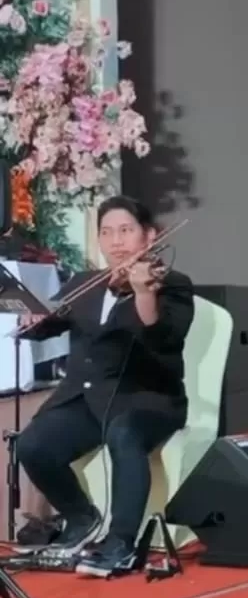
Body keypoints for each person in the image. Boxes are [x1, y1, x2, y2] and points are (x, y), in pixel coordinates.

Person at [17, 195, 194, 577]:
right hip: (87, 400)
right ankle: (81, 517)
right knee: (32, 445)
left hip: (148, 398)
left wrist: (144, 293)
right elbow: (51, 322)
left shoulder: (173, 285)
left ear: (149, 236)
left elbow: (162, 337)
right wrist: (32, 319)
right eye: (107, 232)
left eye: (126, 231)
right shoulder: (86, 283)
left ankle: (121, 544)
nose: (116, 241)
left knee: (124, 433)